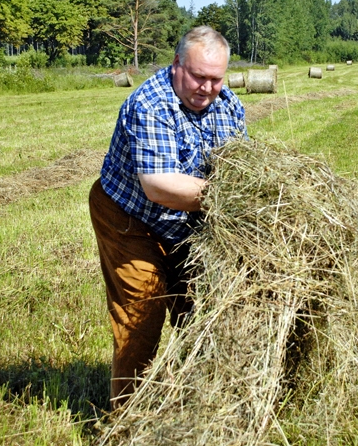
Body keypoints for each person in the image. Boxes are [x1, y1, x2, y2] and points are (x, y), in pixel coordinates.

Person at [88, 26, 246, 408]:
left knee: (202, 308)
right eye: (198, 76)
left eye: (216, 79)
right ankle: (127, 415)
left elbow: (238, 168)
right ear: (177, 64)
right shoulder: (151, 104)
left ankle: (196, 404)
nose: (207, 88)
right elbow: (159, 186)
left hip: (186, 223)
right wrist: (232, 197)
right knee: (143, 310)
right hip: (130, 217)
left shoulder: (230, 107)